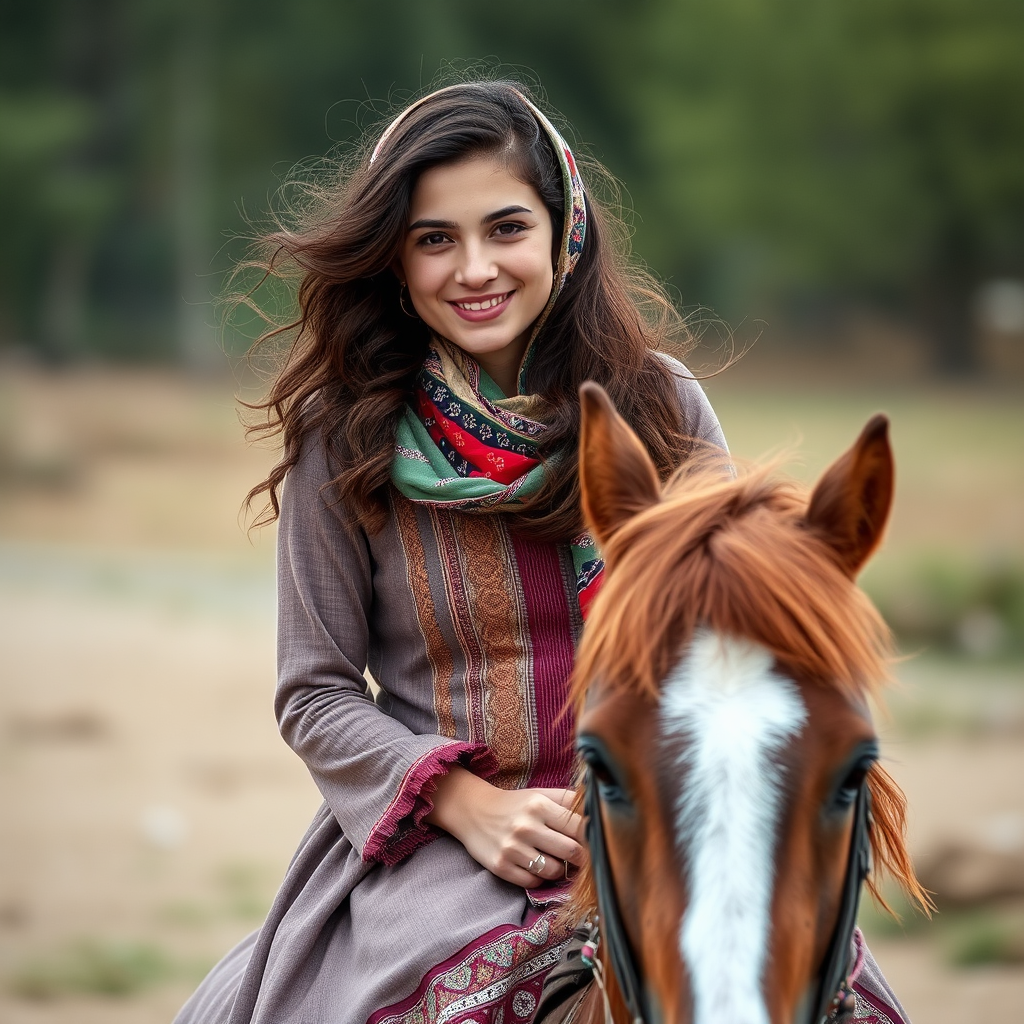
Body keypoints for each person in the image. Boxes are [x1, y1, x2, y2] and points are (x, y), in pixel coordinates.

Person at [174, 80, 905, 1024]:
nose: (474, 267)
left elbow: (740, 631)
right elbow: (312, 692)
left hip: (672, 817)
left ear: (564, 236)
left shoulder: (662, 403)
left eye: (506, 228)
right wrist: (464, 804)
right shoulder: (343, 435)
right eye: (435, 238)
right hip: (442, 848)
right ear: (395, 258)